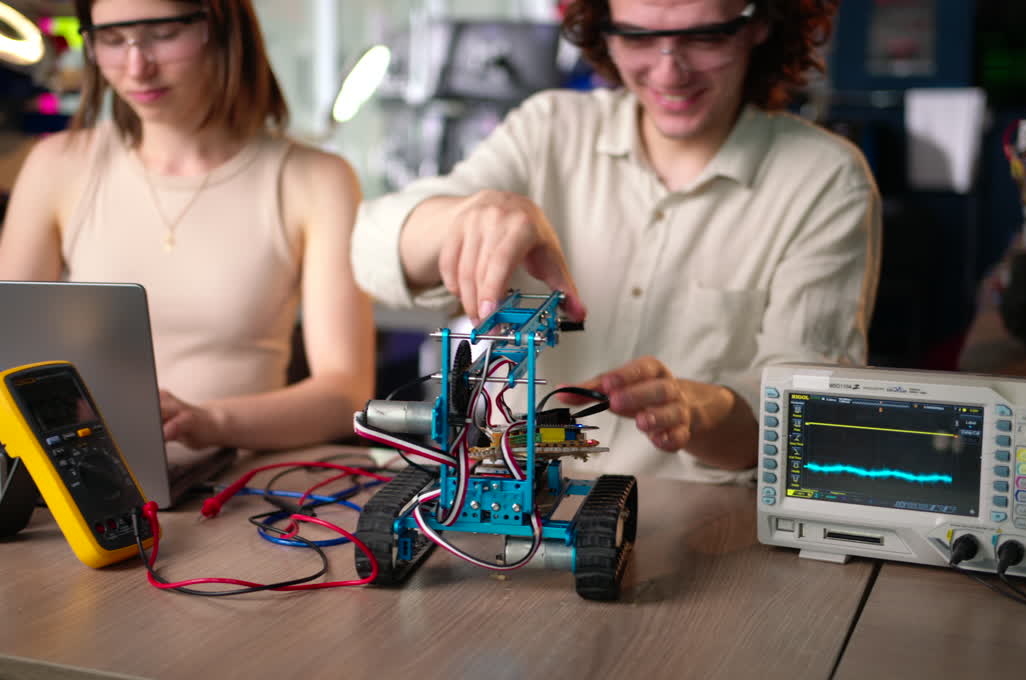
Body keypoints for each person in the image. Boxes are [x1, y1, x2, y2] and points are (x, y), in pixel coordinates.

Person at [351, 0, 880, 482]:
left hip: (707, 540)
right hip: (513, 508)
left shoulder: (824, 179)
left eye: (705, 38)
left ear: (761, 24)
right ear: (602, 28)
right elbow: (368, 247)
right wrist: (464, 218)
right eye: (637, 36)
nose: (669, 71)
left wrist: (701, 411)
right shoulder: (549, 130)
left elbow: (807, 425)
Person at [0, 0, 374, 459]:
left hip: (237, 486)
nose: (136, 67)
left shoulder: (316, 179)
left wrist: (209, 423)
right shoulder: (57, 165)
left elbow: (345, 392)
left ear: (225, 31)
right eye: (112, 40)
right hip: (84, 479)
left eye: (163, 35)